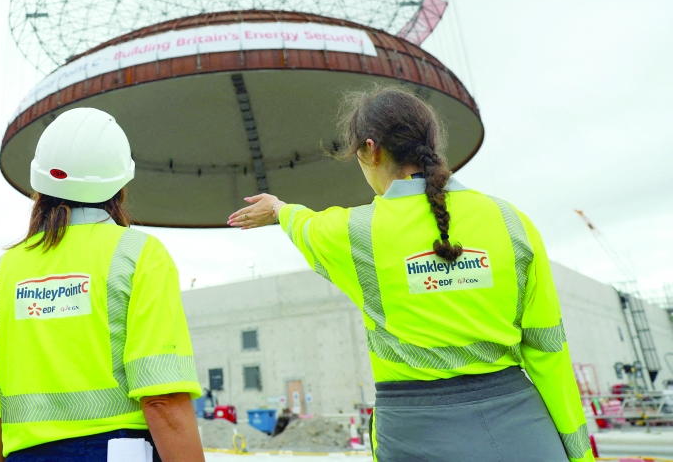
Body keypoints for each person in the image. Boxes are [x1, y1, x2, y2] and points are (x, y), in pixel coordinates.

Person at [228, 87, 593, 462]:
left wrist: (277, 208)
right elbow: (549, 351)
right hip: (523, 429)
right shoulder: (513, 222)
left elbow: (304, 224)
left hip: (415, 433)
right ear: (432, 144)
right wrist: (580, 455)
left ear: (371, 150)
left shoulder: (354, 233)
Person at [0, 107, 204, 462]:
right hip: (120, 452)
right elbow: (161, 398)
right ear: (120, 183)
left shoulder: (1, 274)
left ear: (39, 183)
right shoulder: (139, 255)